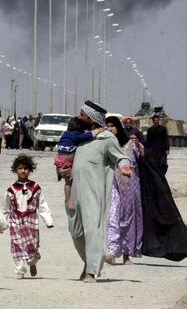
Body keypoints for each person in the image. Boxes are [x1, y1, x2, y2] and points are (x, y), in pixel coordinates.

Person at [59, 101, 133, 283]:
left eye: (82, 114)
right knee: (76, 232)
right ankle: (89, 261)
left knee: (93, 230)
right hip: (74, 191)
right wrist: (62, 171)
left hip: (93, 191)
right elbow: (64, 158)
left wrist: (124, 166)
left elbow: (120, 156)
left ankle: (91, 271)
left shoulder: (106, 138)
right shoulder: (79, 136)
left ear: (92, 118)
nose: (79, 117)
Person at [4, 154, 53, 279]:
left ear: (30, 170)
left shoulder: (35, 187)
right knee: (17, 245)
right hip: (16, 221)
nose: (23, 171)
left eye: (25, 168)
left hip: (31, 220)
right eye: (20, 168)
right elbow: (6, 208)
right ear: (15, 170)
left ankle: (32, 262)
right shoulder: (11, 189)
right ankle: (20, 270)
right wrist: (4, 222)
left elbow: (42, 204)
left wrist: (48, 220)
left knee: (32, 244)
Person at [105, 116, 144, 265]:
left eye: (112, 126)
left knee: (129, 218)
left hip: (130, 185)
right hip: (112, 185)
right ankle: (112, 252)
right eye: (107, 126)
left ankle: (127, 253)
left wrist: (139, 145)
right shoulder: (105, 144)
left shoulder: (129, 144)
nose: (110, 129)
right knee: (113, 216)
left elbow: (143, 156)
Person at [55, 117, 95, 210]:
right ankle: (68, 199)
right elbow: (89, 135)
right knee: (69, 182)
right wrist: (98, 131)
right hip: (67, 163)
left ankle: (68, 199)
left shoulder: (66, 134)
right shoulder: (77, 135)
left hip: (60, 160)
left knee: (68, 183)